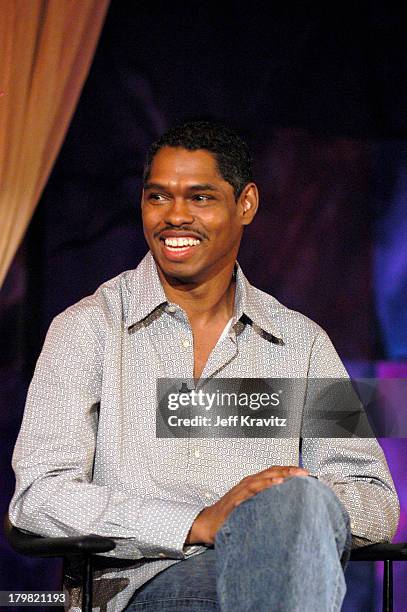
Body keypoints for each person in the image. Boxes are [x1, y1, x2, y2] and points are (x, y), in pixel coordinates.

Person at [10, 121, 399, 611]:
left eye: (200, 198)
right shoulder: (87, 330)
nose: (175, 216)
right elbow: (40, 496)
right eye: (158, 197)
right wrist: (198, 521)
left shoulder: (298, 342)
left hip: (280, 573)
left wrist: (285, 510)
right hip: (136, 590)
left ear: (246, 204)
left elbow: (374, 498)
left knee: (287, 534)